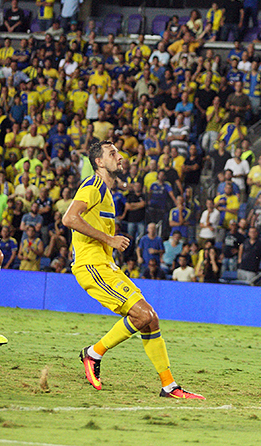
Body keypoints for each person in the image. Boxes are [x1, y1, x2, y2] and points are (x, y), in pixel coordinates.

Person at [64, 141, 203, 399]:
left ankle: (169, 385)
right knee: (142, 315)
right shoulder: (93, 185)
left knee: (151, 319)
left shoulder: (106, 191)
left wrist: (109, 242)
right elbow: (69, 218)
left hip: (106, 265)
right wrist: (109, 239)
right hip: (91, 266)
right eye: (112, 153)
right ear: (99, 162)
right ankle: (93, 354)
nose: (120, 156)